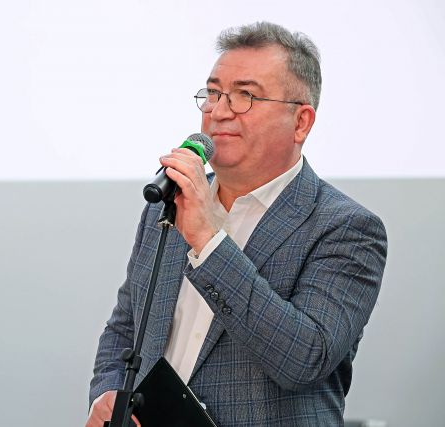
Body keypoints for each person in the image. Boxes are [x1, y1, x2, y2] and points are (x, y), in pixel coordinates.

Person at [86, 22, 387, 427]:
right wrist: (107, 394)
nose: (219, 111)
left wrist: (208, 240)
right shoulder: (171, 201)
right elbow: (126, 328)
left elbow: (303, 358)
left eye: (245, 95)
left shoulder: (347, 228)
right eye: (213, 93)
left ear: (301, 122)